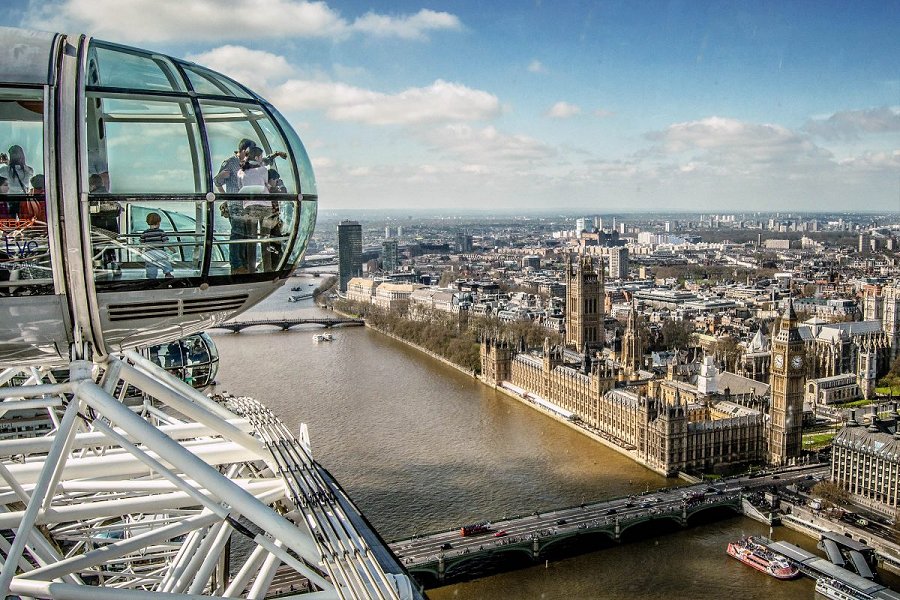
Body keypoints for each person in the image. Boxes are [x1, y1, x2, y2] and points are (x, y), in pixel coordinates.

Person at [215, 138, 255, 274]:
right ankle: (237, 265)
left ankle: (244, 264)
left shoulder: (248, 163)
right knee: (237, 234)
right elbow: (217, 181)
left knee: (245, 235)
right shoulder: (230, 162)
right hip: (235, 204)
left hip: (247, 205)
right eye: (249, 152)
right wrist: (226, 197)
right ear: (243, 150)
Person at [140, 212, 174, 279]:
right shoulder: (161, 232)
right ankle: (168, 274)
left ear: (147, 222)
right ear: (159, 222)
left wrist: (140, 251)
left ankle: (151, 278)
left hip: (149, 253)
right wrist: (172, 249)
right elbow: (166, 242)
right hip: (159, 251)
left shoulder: (144, 233)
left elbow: (141, 244)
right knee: (165, 263)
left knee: (150, 266)